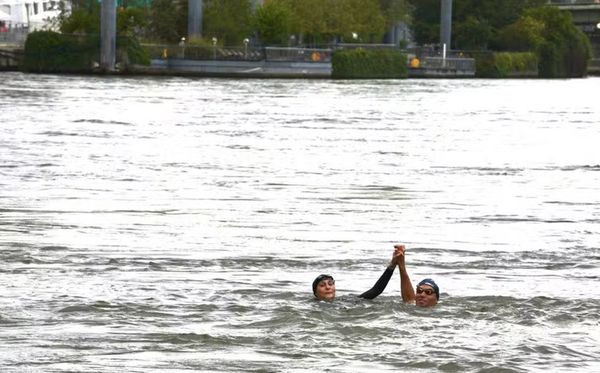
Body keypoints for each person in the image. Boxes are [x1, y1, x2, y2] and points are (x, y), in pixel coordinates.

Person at [312, 252, 397, 302]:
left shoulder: (346, 301)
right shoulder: (312, 306)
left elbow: (376, 290)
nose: (327, 287)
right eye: (322, 285)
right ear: (315, 293)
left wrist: (392, 265)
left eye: (330, 284)